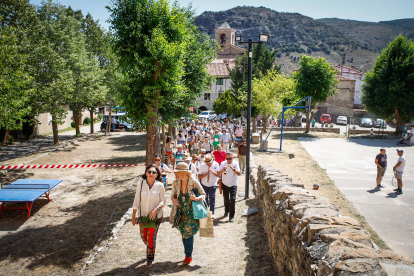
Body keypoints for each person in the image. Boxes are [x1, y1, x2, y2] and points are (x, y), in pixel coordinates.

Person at [171, 162, 206, 265]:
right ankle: (187, 253)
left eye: (178, 172)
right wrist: (173, 200)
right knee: (183, 232)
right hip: (180, 212)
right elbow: (172, 195)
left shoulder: (194, 182)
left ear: (185, 172)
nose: (176, 174)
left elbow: (203, 194)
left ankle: (188, 255)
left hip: (192, 212)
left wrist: (196, 198)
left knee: (188, 233)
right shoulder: (175, 183)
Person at [132, 164, 166, 268]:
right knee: (144, 237)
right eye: (149, 172)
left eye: (154, 172)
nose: (151, 174)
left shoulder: (160, 185)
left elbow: (163, 200)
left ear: (156, 175)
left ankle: (149, 259)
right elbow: (136, 200)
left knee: (151, 237)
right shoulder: (140, 185)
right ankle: (151, 247)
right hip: (143, 216)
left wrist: (156, 209)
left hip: (156, 216)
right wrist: (133, 216)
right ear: (146, 173)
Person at [218, 153, 241, 222]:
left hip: (233, 184)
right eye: (227, 159)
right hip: (225, 184)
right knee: (226, 199)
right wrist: (222, 170)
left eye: (230, 158)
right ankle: (226, 210)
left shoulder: (235, 163)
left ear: (232, 158)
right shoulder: (223, 163)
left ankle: (231, 216)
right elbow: (218, 173)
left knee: (233, 199)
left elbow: (239, 173)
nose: (228, 160)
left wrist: (233, 169)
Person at [198, 154, 220, 219]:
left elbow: (219, 175)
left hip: (213, 184)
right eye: (207, 163)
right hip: (204, 184)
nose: (208, 164)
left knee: (212, 197)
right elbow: (199, 176)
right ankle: (206, 211)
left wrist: (213, 172)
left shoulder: (216, 164)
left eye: (209, 163)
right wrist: (204, 175)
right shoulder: (202, 165)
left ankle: (212, 212)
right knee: (205, 198)